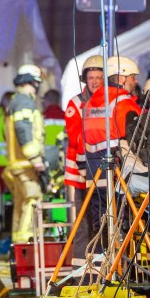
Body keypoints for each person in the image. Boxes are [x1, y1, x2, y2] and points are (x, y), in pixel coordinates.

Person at [82, 55, 142, 239]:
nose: (135, 81)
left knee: (100, 223)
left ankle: (102, 262)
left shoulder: (91, 103)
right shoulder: (124, 104)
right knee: (122, 222)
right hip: (117, 173)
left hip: (94, 173)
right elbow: (138, 139)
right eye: (133, 76)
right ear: (122, 78)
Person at [64, 55, 103, 254]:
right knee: (82, 223)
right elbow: (76, 138)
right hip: (79, 174)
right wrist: (85, 169)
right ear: (85, 80)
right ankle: (80, 272)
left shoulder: (106, 102)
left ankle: (97, 266)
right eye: (91, 77)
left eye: (98, 77)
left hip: (98, 171)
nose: (95, 81)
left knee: (100, 221)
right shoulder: (76, 103)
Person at [3, 64, 47, 244]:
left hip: (17, 165)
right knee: (33, 200)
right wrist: (35, 158)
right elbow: (23, 130)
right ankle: (26, 245)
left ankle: (18, 250)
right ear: (32, 83)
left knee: (21, 207)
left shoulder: (15, 101)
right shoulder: (24, 102)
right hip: (26, 164)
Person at [43, 87, 66, 176]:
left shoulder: (43, 116)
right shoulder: (65, 116)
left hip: (47, 154)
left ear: (47, 100)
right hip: (63, 153)